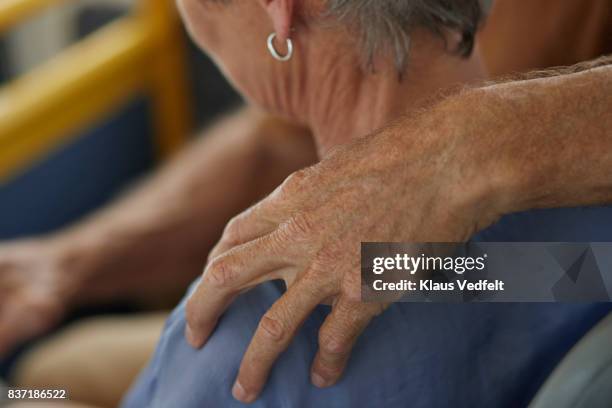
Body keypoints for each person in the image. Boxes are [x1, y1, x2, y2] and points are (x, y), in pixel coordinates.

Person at [123, 0, 610, 407]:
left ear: (280, 8)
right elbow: (494, 280)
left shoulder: (249, 336)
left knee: (51, 377)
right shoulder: (590, 235)